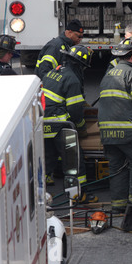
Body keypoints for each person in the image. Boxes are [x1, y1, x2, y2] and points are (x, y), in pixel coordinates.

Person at [98, 37, 132, 213]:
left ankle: (118, 206)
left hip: (108, 134)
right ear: (131, 57)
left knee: (116, 168)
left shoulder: (108, 75)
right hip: (130, 133)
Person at [42, 45, 98, 203]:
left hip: (44, 124)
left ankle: (38, 195)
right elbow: (75, 110)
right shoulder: (72, 79)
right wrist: (81, 128)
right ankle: (78, 195)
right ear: (79, 64)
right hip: (61, 126)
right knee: (74, 161)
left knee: (48, 158)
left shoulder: (53, 72)